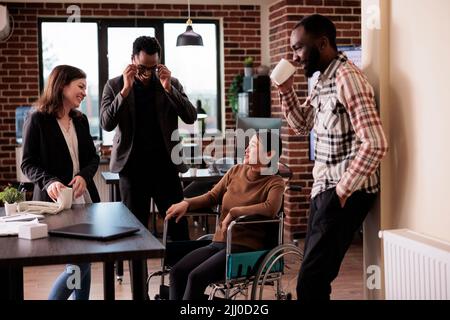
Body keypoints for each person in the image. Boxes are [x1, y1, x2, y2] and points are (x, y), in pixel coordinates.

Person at [275, 14, 389, 300]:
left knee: (310, 283)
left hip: (344, 192)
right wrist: (287, 92)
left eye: (299, 48)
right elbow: (302, 125)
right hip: (324, 189)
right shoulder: (321, 80)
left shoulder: (348, 79)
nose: (295, 56)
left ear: (322, 43)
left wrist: (342, 190)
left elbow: (375, 143)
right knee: (312, 280)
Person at [166, 131, 285, 300]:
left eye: (252, 146)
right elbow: (212, 196)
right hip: (218, 243)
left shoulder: (275, 182)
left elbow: (270, 208)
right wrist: (186, 203)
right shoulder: (235, 171)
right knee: (178, 272)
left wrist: (234, 212)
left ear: (269, 154)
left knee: (196, 277)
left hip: (243, 247)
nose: (245, 150)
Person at [100, 36, 196, 241]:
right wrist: (125, 91)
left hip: (166, 168)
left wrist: (169, 88)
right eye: (142, 68)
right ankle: (138, 274)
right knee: (133, 232)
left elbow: (190, 116)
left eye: (153, 68)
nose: (147, 74)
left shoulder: (170, 83)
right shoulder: (115, 85)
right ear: (132, 60)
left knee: (178, 228)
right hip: (132, 170)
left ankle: (178, 272)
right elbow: (106, 123)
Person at [21, 65, 100, 300]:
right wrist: (49, 181)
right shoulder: (37, 119)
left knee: (83, 258)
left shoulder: (80, 119)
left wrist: (84, 175)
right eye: (80, 86)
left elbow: (93, 158)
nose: (85, 92)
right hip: (53, 204)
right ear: (63, 85)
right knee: (81, 262)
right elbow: (27, 163)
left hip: (83, 201)